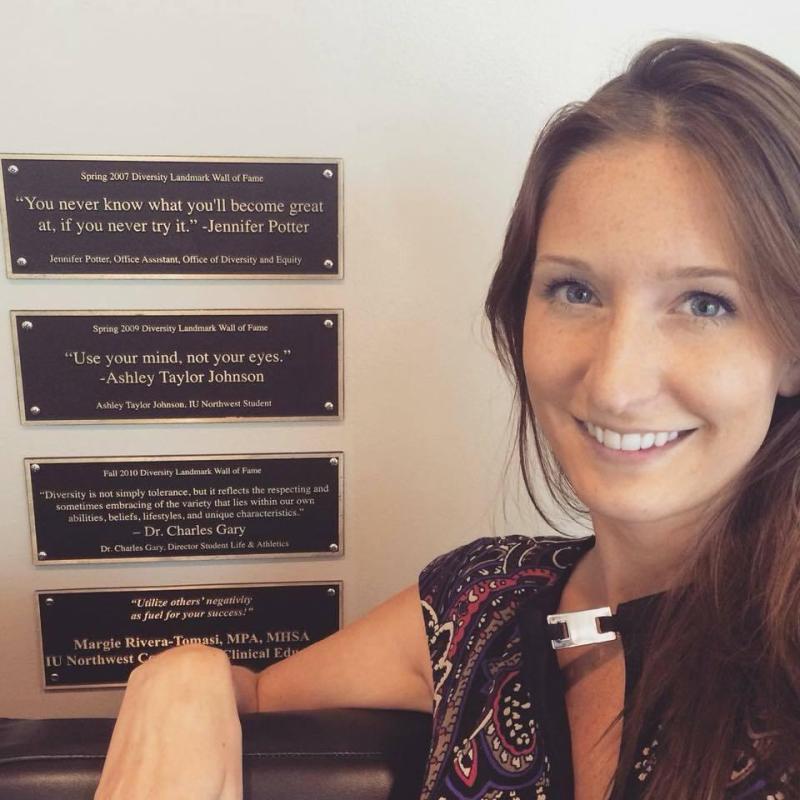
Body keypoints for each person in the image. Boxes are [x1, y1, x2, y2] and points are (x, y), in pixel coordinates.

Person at [94, 37, 800, 800]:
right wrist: (181, 677)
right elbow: (260, 699)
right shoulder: (478, 608)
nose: (617, 382)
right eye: (574, 291)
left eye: (705, 303)